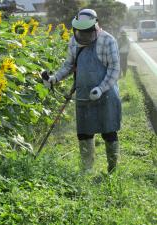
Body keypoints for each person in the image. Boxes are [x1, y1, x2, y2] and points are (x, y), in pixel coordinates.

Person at [43, 9, 121, 174]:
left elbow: (114, 70)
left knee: (108, 131)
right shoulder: (74, 41)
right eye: (80, 32)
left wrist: (100, 88)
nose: (83, 36)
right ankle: (87, 170)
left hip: (106, 95)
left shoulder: (108, 41)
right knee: (84, 133)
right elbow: (69, 65)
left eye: (86, 32)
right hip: (84, 95)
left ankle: (112, 170)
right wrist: (54, 79)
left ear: (95, 27)